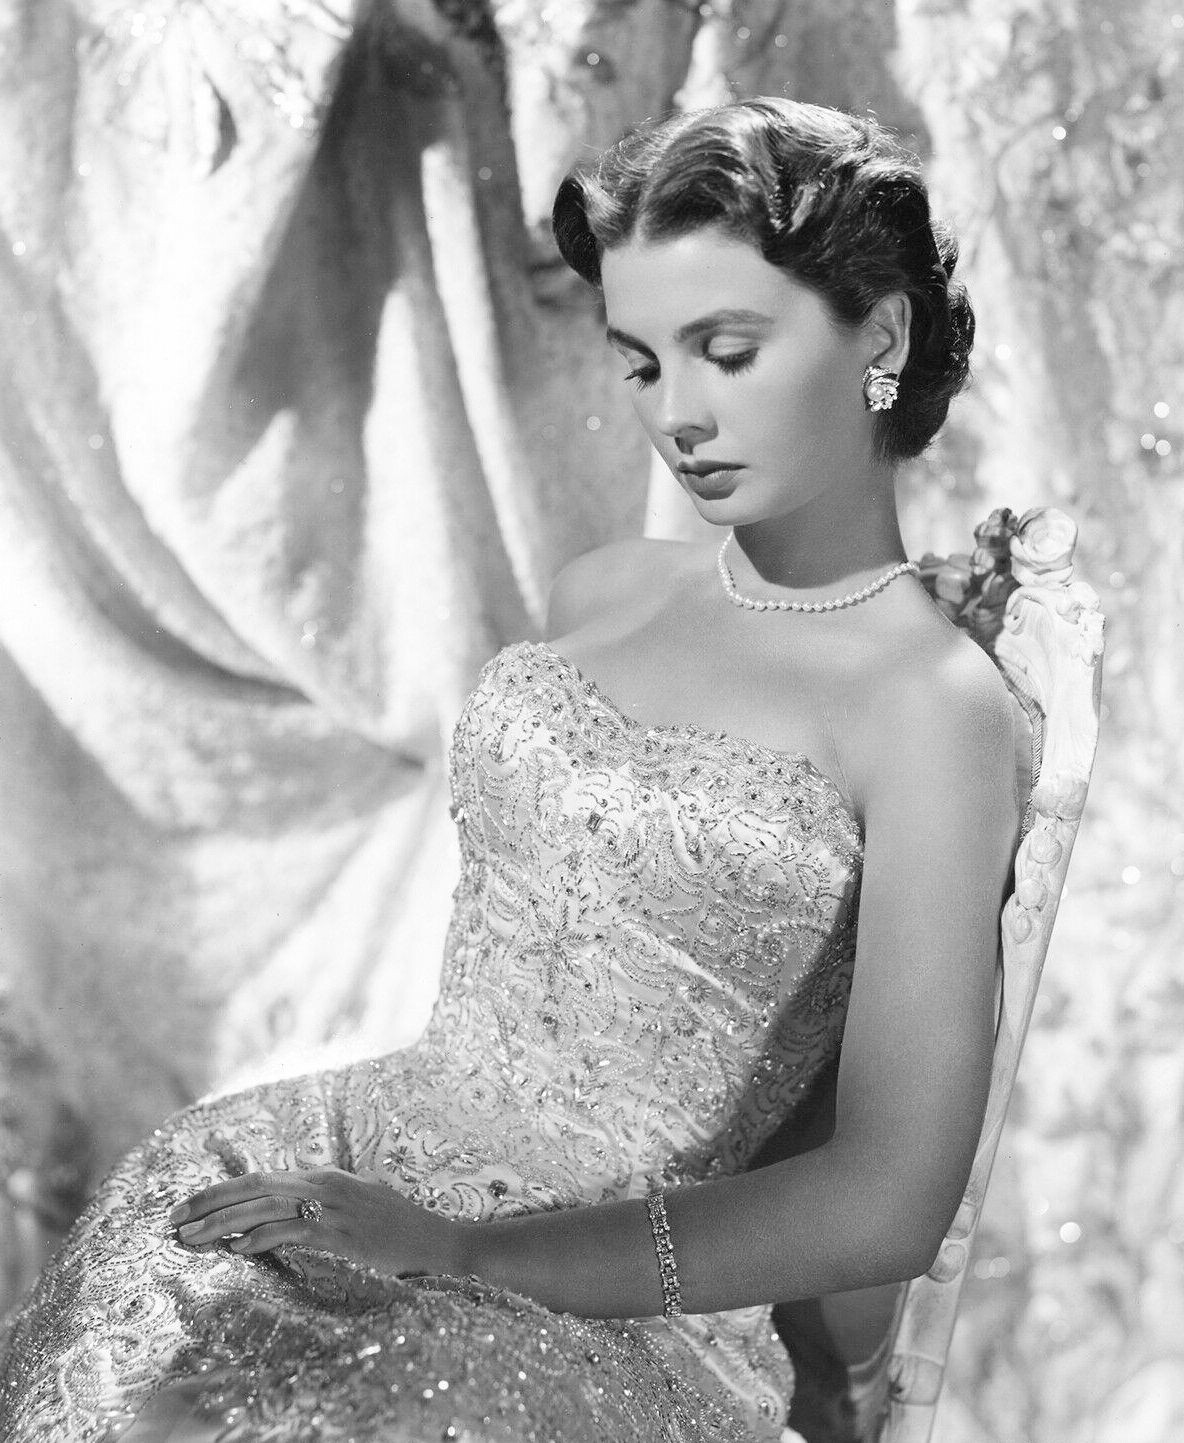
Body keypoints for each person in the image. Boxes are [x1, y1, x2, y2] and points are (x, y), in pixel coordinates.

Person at [0, 97, 1021, 1443]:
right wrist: (395, 1214)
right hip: (352, 1150)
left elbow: (886, 1199)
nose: (679, 415)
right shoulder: (604, 588)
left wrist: (464, 1253)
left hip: (603, 1300)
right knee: (158, 1290)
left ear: (879, 337)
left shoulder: (933, 708)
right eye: (642, 364)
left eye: (727, 352)